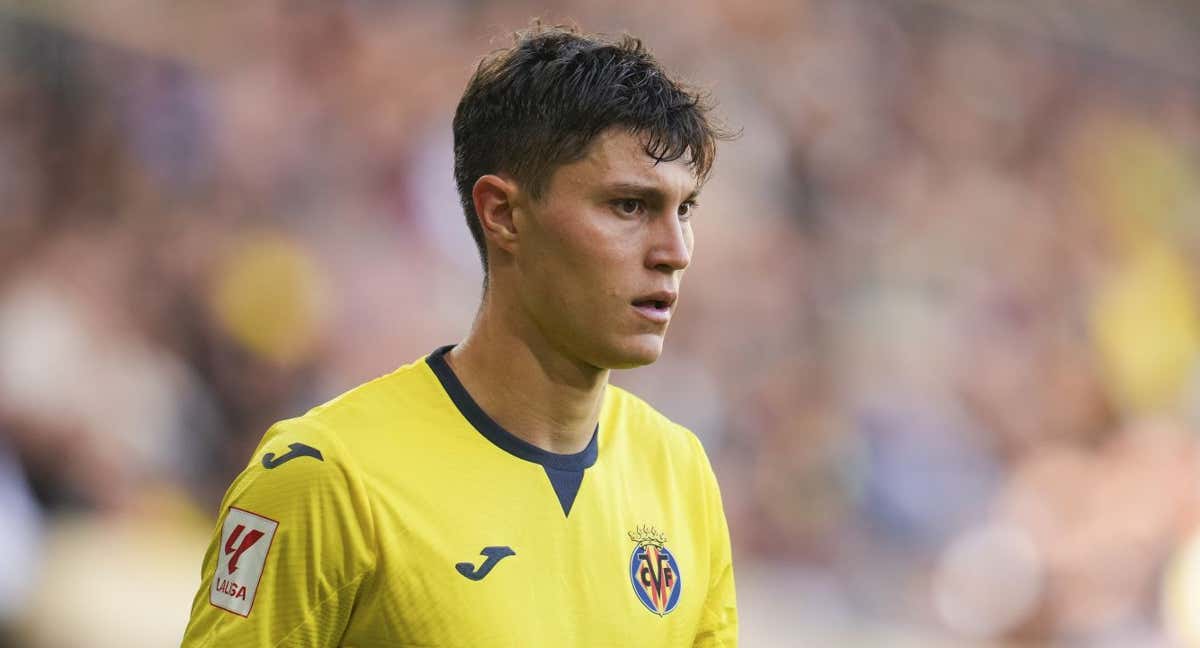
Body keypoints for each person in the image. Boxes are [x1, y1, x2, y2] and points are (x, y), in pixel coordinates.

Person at [181, 23, 737, 647]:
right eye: (629, 206)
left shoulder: (680, 473)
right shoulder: (326, 476)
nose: (675, 251)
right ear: (502, 213)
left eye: (683, 209)